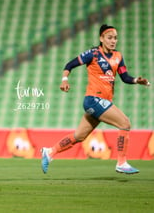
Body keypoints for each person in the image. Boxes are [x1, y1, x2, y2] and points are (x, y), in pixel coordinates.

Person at [41, 24, 150, 175]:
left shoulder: (118, 56)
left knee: (79, 136)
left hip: (103, 101)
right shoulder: (93, 54)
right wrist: (64, 79)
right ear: (101, 38)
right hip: (93, 99)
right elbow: (70, 64)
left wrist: (136, 80)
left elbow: (125, 77)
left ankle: (50, 152)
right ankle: (122, 162)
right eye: (109, 38)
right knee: (125, 123)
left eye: (115, 38)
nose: (113, 41)